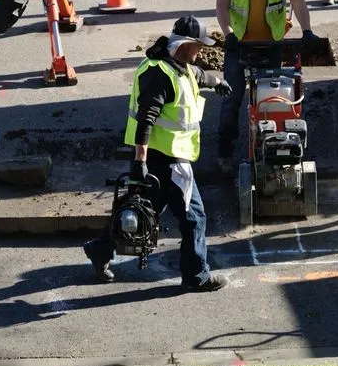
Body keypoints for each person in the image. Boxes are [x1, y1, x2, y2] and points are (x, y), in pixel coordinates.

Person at [83, 16, 233, 292]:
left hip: (164, 156)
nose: (201, 50)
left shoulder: (178, 66)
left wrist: (216, 82)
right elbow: (146, 120)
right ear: (185, 44)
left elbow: (198, 76)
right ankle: (196, 276)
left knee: (143, 211)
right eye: (198, 45)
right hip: (168, 159)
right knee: (194, 217)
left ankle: (100, 248)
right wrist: (140, 162)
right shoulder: (160, 75)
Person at [214, 0, 319, 177]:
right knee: (231, 99)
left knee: (271, 101)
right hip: (238, 45)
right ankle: (224, 153)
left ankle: (268, 150)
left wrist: (307, 30)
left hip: (270, 44)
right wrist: (228, 34)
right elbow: (222, 4)